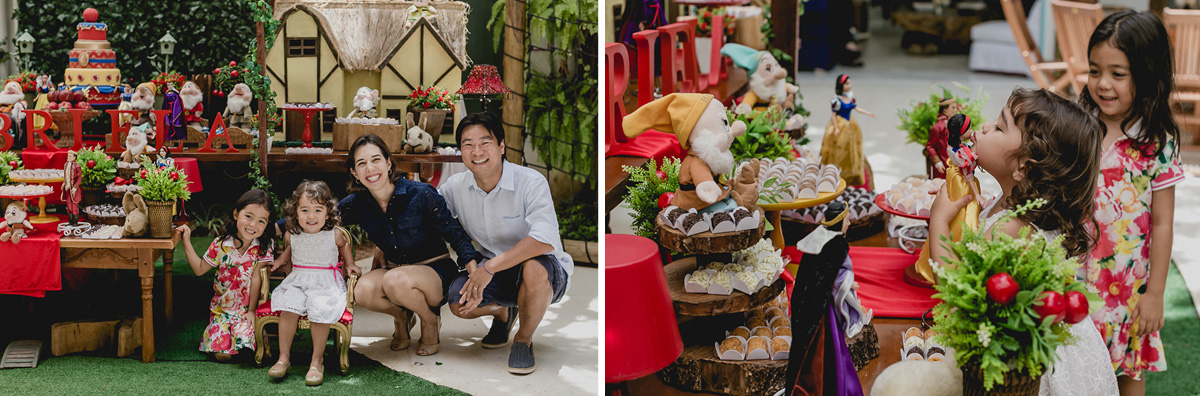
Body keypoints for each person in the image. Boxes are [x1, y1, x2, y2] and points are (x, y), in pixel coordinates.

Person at [930, 88, 1116, 395]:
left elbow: (954, 291)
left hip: (1026, 372)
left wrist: (937, 221)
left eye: (1000, 126)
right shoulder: (1017, 208)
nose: (986, 126)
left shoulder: (1011, 228)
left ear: (1024, 167)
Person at [1078, 11, 1183, 395]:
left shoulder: (1158, 142)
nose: (1102, 84)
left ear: (1147, 74)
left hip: (1127, 289)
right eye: (1094, 71)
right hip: (1074, 279)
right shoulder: (1077, 125)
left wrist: (1154, 294)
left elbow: (1162, 223)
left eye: (1117, 74)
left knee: (1128, 373)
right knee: (1070, 369)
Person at [439, 112, 572, 375]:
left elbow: (544, 241)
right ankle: (502, 313)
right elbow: (425, 211)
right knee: (458, 303)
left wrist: (487, 269)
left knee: (533, 266)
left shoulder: (530, 181)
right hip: (494, 271)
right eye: (468, 144)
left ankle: (523, 339)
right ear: (461, 151)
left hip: (544, 271)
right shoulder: (455, 186)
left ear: (501, 146)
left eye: (485, 142)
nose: (477, 151)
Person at [339, 134, 482, 357]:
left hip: (434, 272)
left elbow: (456, 236)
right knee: (362, 291)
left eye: (376, 160)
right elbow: (319, 218)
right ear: (354, 173)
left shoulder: (421, 194)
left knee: (394, 279)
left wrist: (475, 276)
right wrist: (275, 228)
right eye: (361, 163)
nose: (370, 168)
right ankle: (402, 316)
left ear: (388, 163)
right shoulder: (359, 203)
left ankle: (429, 319)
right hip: (395, 271)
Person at [266, 181, 360, 386]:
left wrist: (350, 264)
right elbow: (289, 253)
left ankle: (317, 361)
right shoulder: (293, 234)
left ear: (327, 212)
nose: (311, 216)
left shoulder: (334, 234)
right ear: (295, 212)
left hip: (325, 282)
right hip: (299, 279)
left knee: (319, 309)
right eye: (305, 210)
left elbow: (344, 249)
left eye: (318, 210)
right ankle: (284, 358)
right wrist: (280, 262)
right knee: (288, 307)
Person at [175, 189, 276, 361]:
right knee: (221, 354)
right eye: (249, 217)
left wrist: (252, 311)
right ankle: (233, 349)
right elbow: (199, 269)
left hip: (246, 311)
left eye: (261, 221)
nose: (253, 225)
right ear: (236, 214)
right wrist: (186, 241)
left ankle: (244, 346)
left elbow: (257, 278)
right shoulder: (221, 244)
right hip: (222, 311)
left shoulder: (264, 247)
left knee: (246, 344)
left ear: (267, 224)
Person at [821, 74, 874, 187]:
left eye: (849, 83)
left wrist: (868, 113)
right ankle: (836, 175)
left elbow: (856, 108)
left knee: (852, 149)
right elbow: (833, 115)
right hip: (840, 125)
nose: (849, 86)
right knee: (839, 149)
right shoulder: (836, 101)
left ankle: (851, 173)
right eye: (847, 83)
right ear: (841, 85)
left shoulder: (850, 98)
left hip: (851, 126)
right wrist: (835, 128)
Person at [925, 97, 960, 179]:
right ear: (945, 109)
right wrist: (938, 163)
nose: (955, 110)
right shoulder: (938, 126)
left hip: (952, 163)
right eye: (953, 107)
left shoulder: (952, 124)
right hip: (942, 165)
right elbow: (930, 146)